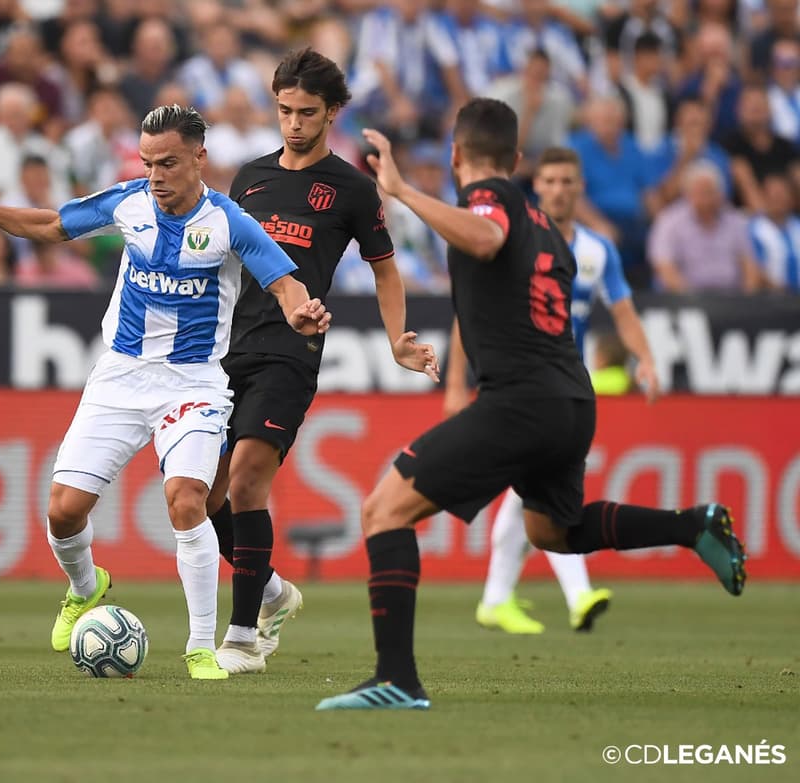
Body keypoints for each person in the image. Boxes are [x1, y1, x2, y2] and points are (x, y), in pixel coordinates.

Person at [316, 98, 747, 712]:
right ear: (518, 159)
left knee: (384, 509)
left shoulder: (488, 202)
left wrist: (404, 189)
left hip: (520, 402)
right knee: (553, 530)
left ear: (457, 155)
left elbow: (486, 236)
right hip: (572, 399)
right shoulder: (549, 227)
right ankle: (693, 525)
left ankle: (396, 679)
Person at [0, 104, 331, 681]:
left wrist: (302, 313)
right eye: (147, 163)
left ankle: (199, 649)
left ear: (199, 158)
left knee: (188, 498)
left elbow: (285, 284)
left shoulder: (229, 221)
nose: (156, 175)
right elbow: (50, 225)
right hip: (119, 377)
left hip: (193, 383)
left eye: (168, 163)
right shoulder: (128, 202)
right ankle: (86, 588)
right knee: (63, 513)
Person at [205, 48, 438, 675]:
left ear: (332, 112)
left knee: (250, 476)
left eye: (307, 112)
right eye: (284, 111)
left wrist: (397, 340)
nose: (293, 124)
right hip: (231, 348)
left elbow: (385, 270)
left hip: (292, 349)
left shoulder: (353, 189)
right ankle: (275, 592)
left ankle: (243, 635)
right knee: (206, 496)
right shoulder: (248, 179)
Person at [444, 146, 660, 636]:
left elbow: (623, 312)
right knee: (539, 488)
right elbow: (467, 313)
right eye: (551, 181)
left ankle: (497, 598)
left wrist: (645, 357)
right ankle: (576, 595)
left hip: (563, 389)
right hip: (517, 384)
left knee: (529, 492)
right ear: (536, 187)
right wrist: (457, 382)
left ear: (580, 187)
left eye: (568, 181)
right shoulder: (513, 238)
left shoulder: (597, 251)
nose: (560, 190)